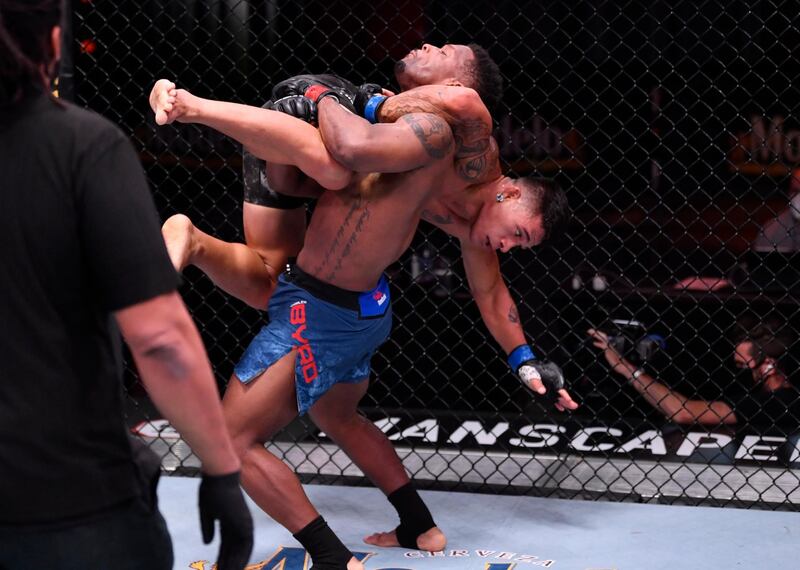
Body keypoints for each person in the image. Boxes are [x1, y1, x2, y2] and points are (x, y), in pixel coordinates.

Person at [150, 49, 577, 569]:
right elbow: (450, 108)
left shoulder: (458, 164)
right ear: (509, 194)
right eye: (514, 235)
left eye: (518, 243)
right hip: (365, 309)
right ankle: (420, 526)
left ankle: (331, 558)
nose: (505, 246)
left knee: (232, 442)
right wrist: (378, 106)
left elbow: (490, 291)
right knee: (338, 412)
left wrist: (524, 359)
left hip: (324, 308)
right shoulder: (452, 156)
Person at [0, 1, 253, 568]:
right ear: (56, 42)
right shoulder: (80, 148)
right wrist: (221, 472)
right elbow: (161, 338)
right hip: (66, 500)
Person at [587, 316, 799, 438]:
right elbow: (673, 409)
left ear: (769, 365)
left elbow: (683, 412)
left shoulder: (780, 402)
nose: (742, 373)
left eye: (744, 365)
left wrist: (624, 367)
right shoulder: (771, 398)